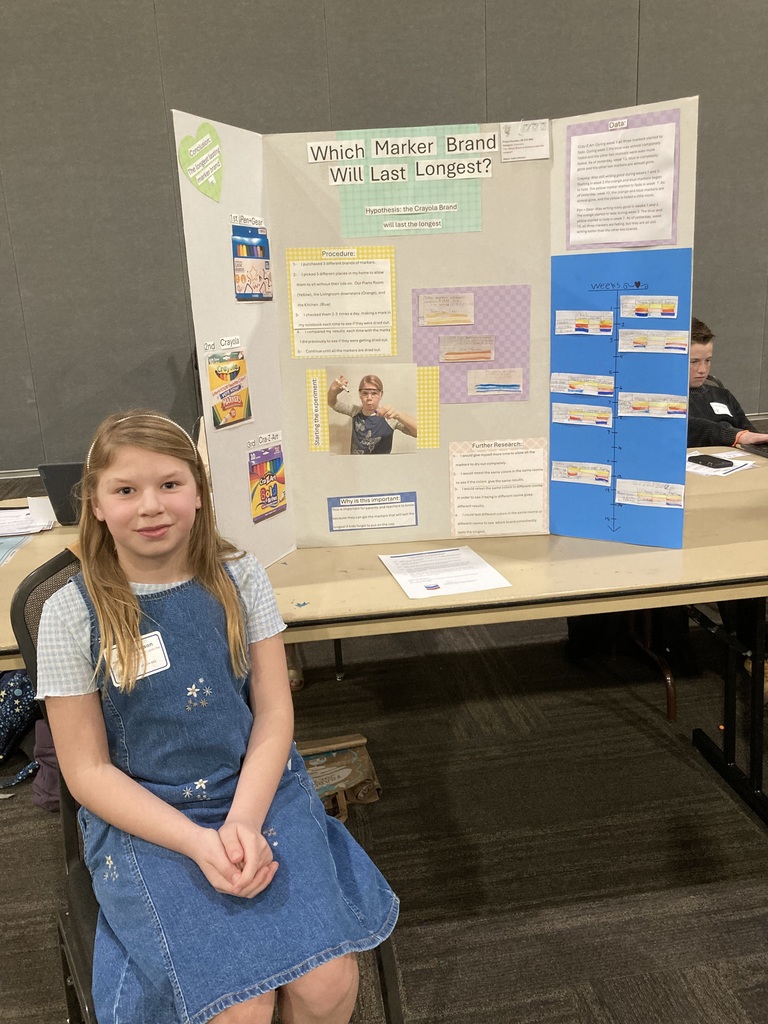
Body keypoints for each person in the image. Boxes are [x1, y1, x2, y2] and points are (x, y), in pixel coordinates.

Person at [36, 410, 398, 1024]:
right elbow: (88, 770)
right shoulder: (72, 615)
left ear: (199, 493)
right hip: (148, 814)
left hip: (257, 791)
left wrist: (245, 822)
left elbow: (274, 713)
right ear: (95, 504)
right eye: (125, 490)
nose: (150, 506)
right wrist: (200, 843)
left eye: (170, 485)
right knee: (240, 1007)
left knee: (328, 985)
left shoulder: (240, 577)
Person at [688, 316, 768, 447]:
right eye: (694, 362)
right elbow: (692, 428)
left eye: (707, 360)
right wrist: (736, 435)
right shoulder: (665, 402)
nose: (702, 370)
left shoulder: (723, 396)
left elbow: (753, 435)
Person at [327, 374, 417, 454]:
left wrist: (398, 415)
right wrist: (333, 391)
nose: (369, 398)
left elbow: (418, 432)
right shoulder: (355, 411)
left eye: (374, 393)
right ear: (360, 394)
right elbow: (332, 403)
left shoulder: (389, 417)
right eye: (365, 393)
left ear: (381, 395)